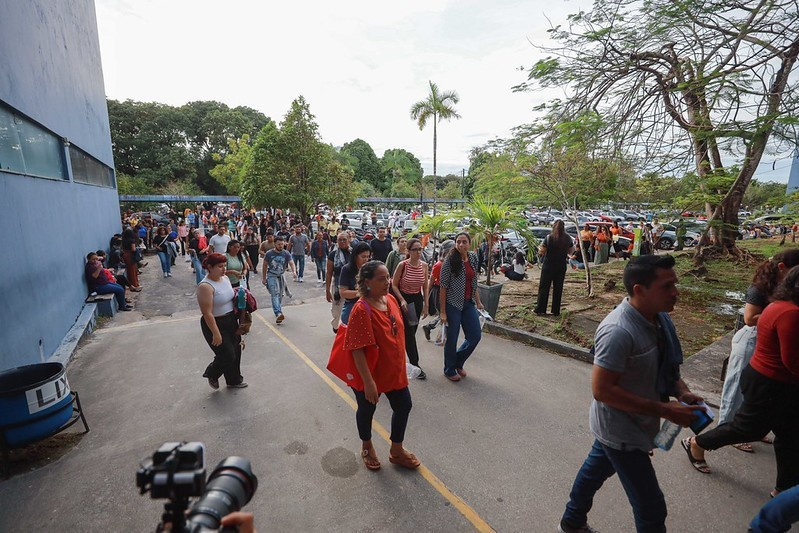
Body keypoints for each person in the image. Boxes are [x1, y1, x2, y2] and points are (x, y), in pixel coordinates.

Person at [558, 254, 704, 533]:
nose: (676, 293)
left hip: (636, 423)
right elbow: (602, 390)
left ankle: (571, 521)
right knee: (651, 509)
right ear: (639, 290)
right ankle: (572, 521)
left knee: (594, 471)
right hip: (621, 430)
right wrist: (666, 410)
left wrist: (681, 391)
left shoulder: (659, 320)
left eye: (675, 284)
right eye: (667, 286)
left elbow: (665, 366)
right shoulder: (618, 331)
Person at [684, 265, 799, 497]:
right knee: (748, 429)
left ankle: (784, 488)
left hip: (775, 382)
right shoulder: (790, 313)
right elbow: (792, 362)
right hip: (770, 383)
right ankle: (697, 443)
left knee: (789, 435)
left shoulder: (780, 305)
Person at [717, 250, 799, 453]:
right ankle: (726, 428)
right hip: (751, 339)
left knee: (753, 395)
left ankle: (750, 429)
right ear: (783, 268)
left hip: (768, 342)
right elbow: (749, 318)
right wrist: (778, 316)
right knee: (735, 388)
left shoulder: (785, 288)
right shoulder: (760, 287)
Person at [344, 260, 420, 472]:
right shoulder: (361, 309)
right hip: (370, 374)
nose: (387, 282)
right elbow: (357, 349)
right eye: (381, 279)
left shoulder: (390, 300)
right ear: (367, 283)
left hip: (393, 371)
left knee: (404, 405)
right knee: (367, 410)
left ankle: (396, 450)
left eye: (388, 277)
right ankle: (366, 446)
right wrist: (368, 382)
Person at [197, 253, 247, 389]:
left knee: (236, 351)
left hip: (230, 319)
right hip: (214, 322)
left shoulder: (224, 278)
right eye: (220, 266)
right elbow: (207, 312)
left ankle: (234, 380)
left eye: (225, 266)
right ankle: (212, 373)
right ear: (209, 267)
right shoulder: (205, 286)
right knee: (227, 354)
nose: (224, 269)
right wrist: (216, 333)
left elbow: (229, 296)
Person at [439, 232, 484, 382]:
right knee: (452, 338)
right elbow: (443, 287)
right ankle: (449, 369)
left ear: (469, 244)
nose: (461, 245)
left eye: (464, 242)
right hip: (453, 304)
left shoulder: (473, 257)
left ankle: (458, 362)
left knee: (475, 336)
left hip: (468, 303)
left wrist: (478, 301)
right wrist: (443, 312)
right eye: (458, 242)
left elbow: (474, 281)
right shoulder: (450, 260)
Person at [391, 238, 430, 380]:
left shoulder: (424, 266)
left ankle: (403, 358)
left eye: (420, 249)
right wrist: (401, 300)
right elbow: (394, 285)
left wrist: (426, 304)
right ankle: (415, 364)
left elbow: (425, 286)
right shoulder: (403, 265)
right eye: (415, 250)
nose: (418, 252)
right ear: (408, 251)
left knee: (410, 331)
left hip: (416, 300)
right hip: (404, 301)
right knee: (409, 333)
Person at [534, 220, 575, 316]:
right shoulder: (568, 238)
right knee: (558, 288)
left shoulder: (549, 238)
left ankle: (540, 309)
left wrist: (540, 250)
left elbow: (542, 252)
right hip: (561, 266)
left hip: (548, 265)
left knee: (544, 287)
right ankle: (555, 310)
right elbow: (571, 251)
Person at [422, 239, 455, 343]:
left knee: (446, 314)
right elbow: (431, 281)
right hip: (438, 291)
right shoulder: (439, 265)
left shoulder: (453, 263)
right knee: (443, 314)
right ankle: (441, 336)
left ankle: (432, 329)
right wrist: (427, 297)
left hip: (448, 291)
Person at [262, 236, 296, 324]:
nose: (281, 246)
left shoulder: (286, 253)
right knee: (275, 293)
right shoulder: (269, 254)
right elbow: (265, 265)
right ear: (275, 244)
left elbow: (291, 263)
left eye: (282, 244)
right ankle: (278, 313)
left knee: (280, 294)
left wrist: (294, 272)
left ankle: (279, 310)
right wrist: (264, 278)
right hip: (272, 275)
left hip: (281, 275)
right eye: (279, 244)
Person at [339, 242, 372, 326]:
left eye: (368, 257)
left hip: (371, 303)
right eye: (363, 257)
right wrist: (362, 293)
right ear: (355, 256)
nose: (366, 259)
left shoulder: (371, 268)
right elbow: (343, 293)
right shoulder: (346, 269)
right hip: (352, 304)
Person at [326, 232, 352, 333]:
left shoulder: (353, 253)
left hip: (352, 285)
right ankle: (336, 325)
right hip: (338, 286)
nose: (342, 242)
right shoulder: (333, 255)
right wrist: (327, 290)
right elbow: (329, 273)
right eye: (339, 240)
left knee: (350, 308)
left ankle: (347, 328)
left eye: (344, 239)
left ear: (349, 239)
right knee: (337, 310)